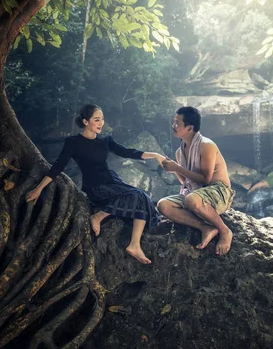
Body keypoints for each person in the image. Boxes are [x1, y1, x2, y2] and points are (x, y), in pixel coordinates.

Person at [26, 104, 165, 264]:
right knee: (136, 195)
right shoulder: (73, 142)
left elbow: (127, 152)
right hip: (95, 186)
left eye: (102, 119)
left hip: (112, 182)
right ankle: (98, 217)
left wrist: (155, 155)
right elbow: (58, 166)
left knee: (143, 197)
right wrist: (38, 189)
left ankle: (134, 245)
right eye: (96, 120)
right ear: (86, 122)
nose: (101, 123)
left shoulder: (105, 140)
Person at [157, 106, 235, 256]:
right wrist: (174, 168)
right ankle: (205, 227)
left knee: (191, 199)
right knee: (163, 205)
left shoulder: (206, 145)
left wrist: (178, 168)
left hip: (218, 191)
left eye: (177, 123)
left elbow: (206, 179)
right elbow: (184, 181)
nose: (173, 126)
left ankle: (225, 231)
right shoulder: (180, 151)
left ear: (189, 127)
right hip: (195, 194)